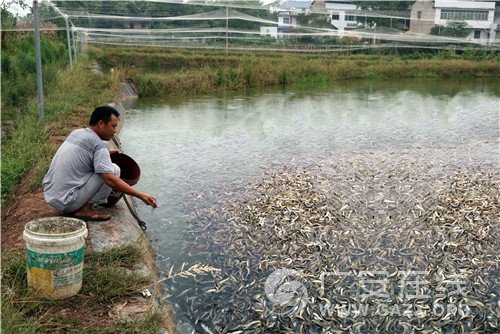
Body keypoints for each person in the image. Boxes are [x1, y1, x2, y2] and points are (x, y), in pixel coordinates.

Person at [43, 105, 157, 221]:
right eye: (113, 126)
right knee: (114, 170)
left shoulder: (77, 133)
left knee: (102, 168)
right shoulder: (99, 146)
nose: (115, 131)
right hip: (67, 202)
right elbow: (109, 178)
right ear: (101, 124)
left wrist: (106, 152)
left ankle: (80, 204)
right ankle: (85, 209)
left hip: (51, 196)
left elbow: (85, 154)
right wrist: (140, 195)